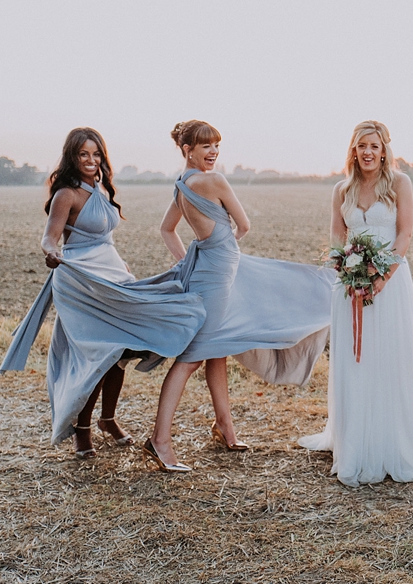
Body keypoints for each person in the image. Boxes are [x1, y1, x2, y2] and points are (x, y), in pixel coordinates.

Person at [0, 128, 206, 456]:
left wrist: (122, 267)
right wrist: (51, 252)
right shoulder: (66, 193)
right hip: (81, 283)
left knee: (121, 353)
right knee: (99, 356)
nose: (91, 160)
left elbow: (104, 239)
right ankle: (82, 430)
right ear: (72, 157)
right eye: (84, 154)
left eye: (96, 154)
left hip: (112, 276)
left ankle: (107, 420)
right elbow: (49, 237)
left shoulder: (101, 188)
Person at [144, 120, 336, 472]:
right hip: (216, 277)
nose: (213, 152)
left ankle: (225, 428)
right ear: (187, 150)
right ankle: (160, 442)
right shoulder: (213, 181)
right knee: (191, 359)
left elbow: (166, 229)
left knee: (218, 350)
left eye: (216, 145)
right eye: (205, 147)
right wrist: (221, 248)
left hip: (206, 272)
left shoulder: (182, 185)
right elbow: (244, 225)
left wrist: (191, 260)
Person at [298, 121, 413, 486]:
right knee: (355, 361)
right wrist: (343, 263)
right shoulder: (341, 189)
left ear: (384, 149)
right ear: (353, 150)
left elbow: (405, 233)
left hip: (390, 284)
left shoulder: (400, 184)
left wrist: (381, 277)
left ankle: (393, 444)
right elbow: (336, 232)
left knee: (388, 359)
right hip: (350, 286)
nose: (368, 152)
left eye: (374, 145)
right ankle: (356, 442)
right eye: (362, 145)